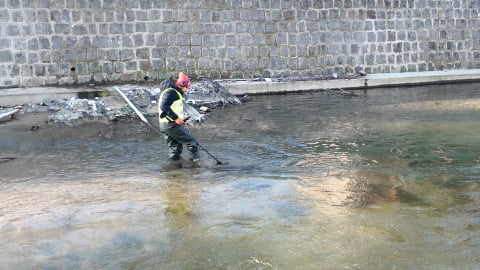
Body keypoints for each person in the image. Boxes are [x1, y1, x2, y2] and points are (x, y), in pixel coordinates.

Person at [158, 72, 200, 163]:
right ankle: (196, 164)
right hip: (171, 124)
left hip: (164, 124)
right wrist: (176, 118)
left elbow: (170, 107)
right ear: (182, 84)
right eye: (187, 87)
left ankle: (174, 167)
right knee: (191, 142)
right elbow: (164, 106)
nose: (187, 89)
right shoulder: (172, 92)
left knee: (175, 148)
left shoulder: (170, 91)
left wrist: (179, 118)